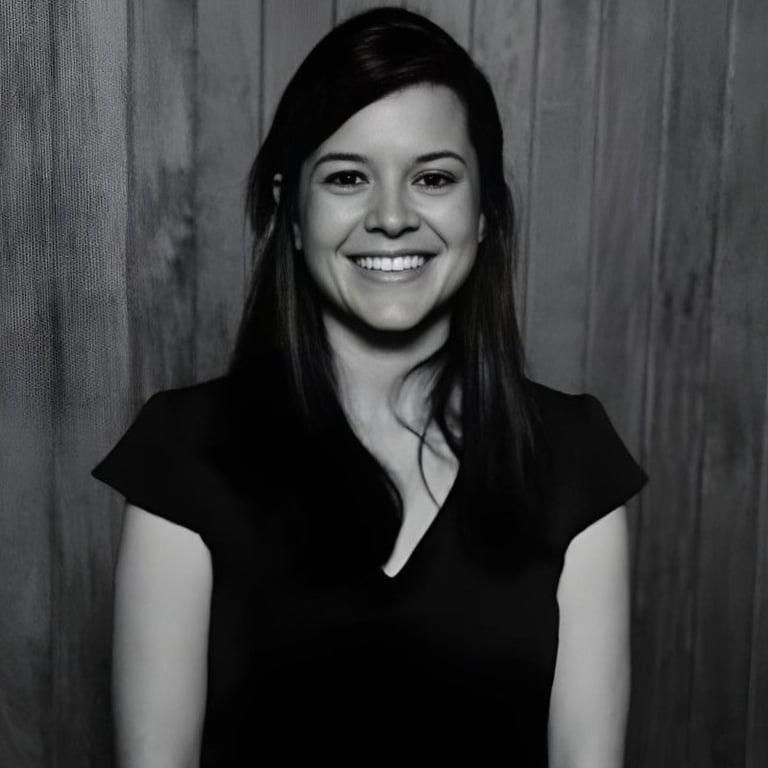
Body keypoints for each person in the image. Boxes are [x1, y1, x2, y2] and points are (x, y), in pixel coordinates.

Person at [93, 7, 648, 767]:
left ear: (483, 213)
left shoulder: (573, 460)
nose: (391, 216)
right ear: (292, 211)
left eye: (433, 178)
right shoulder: (187, 454)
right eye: (349, 177)